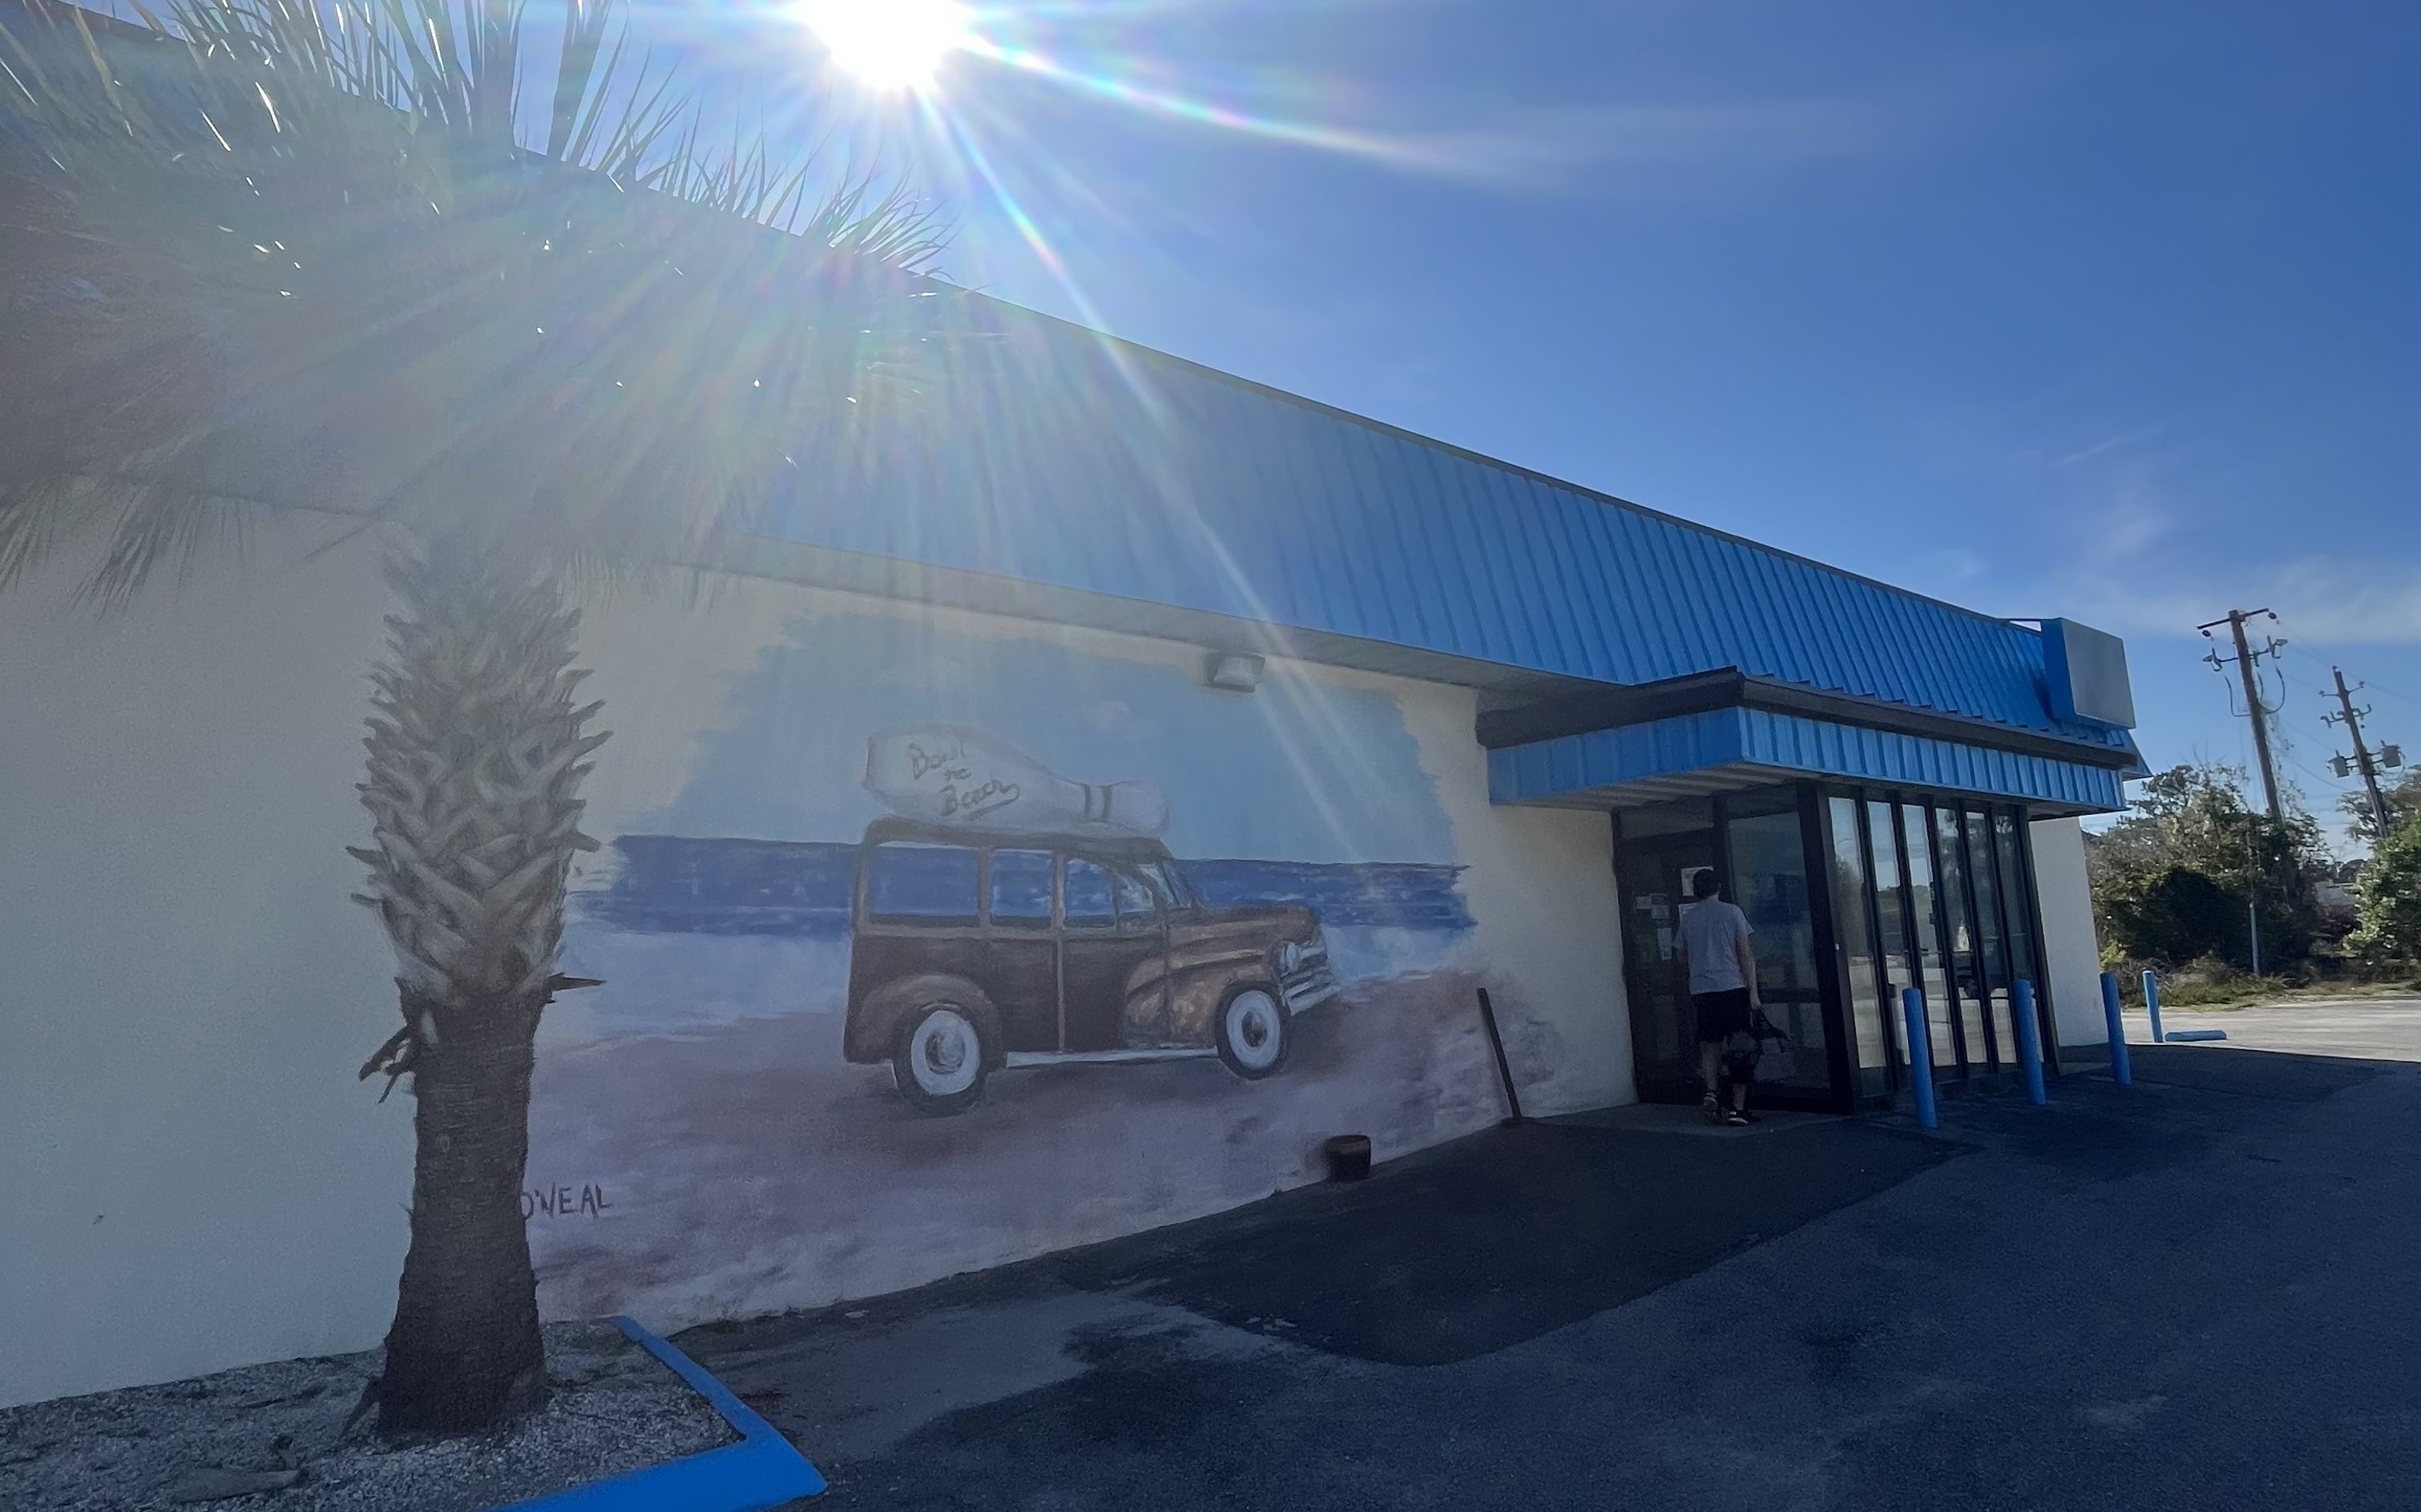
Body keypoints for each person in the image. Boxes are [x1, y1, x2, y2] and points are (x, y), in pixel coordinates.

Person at [1675, 869, 1759, 1126]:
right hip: (1732, 986)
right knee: (1740, 1046)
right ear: (1718, 887)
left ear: (1695, 890)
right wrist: (1753, 991)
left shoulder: (1689, 919)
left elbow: (1681, 957)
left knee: (1709, 1044)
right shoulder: (1733, 912)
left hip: (1702, 989)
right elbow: (1744, 953)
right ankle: (1738, 1107)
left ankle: (1711, 1091)